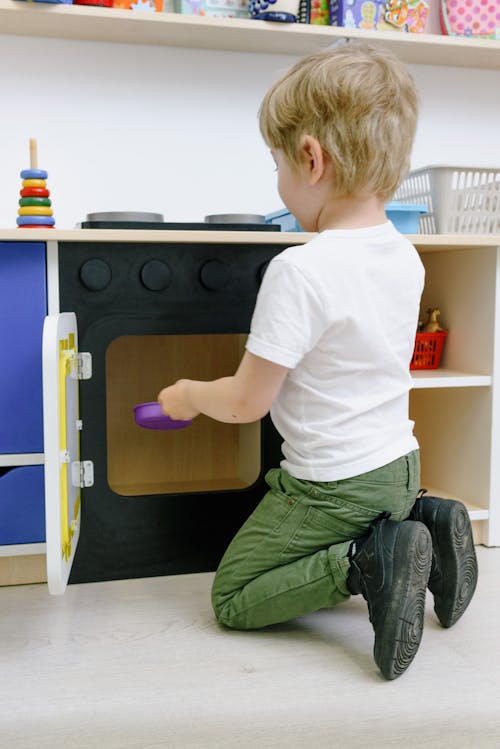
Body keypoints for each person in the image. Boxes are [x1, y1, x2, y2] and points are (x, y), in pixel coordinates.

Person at [157, 41, 478, 680]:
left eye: (275, 164)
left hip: (333, 487)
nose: (276, 180)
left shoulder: (299, 270)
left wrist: (189, 395)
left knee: (232, 597)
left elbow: (249, 402)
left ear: (311, 159)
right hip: (400, 467)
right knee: (377, 506)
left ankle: (368, 563)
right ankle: (426, 519)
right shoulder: (405, 255)